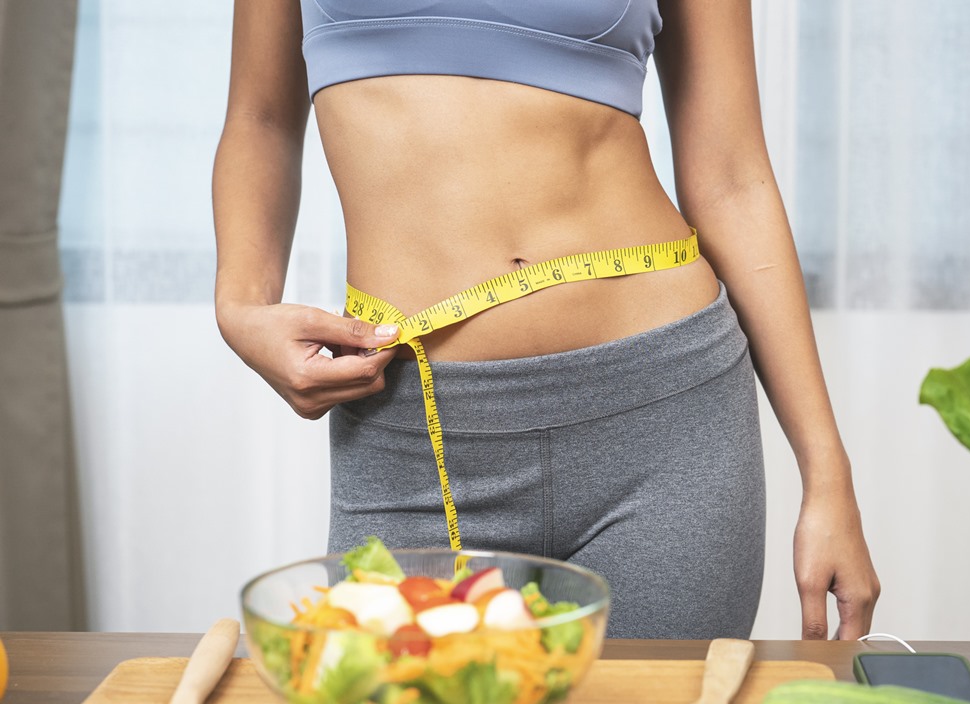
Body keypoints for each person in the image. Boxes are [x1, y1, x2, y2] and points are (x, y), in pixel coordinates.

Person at [212, 0, 880, 640]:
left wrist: (827, 474)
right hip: (410, 425)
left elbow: (732, 174)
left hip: (664, 415)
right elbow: (261, 119)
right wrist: (241, 306)